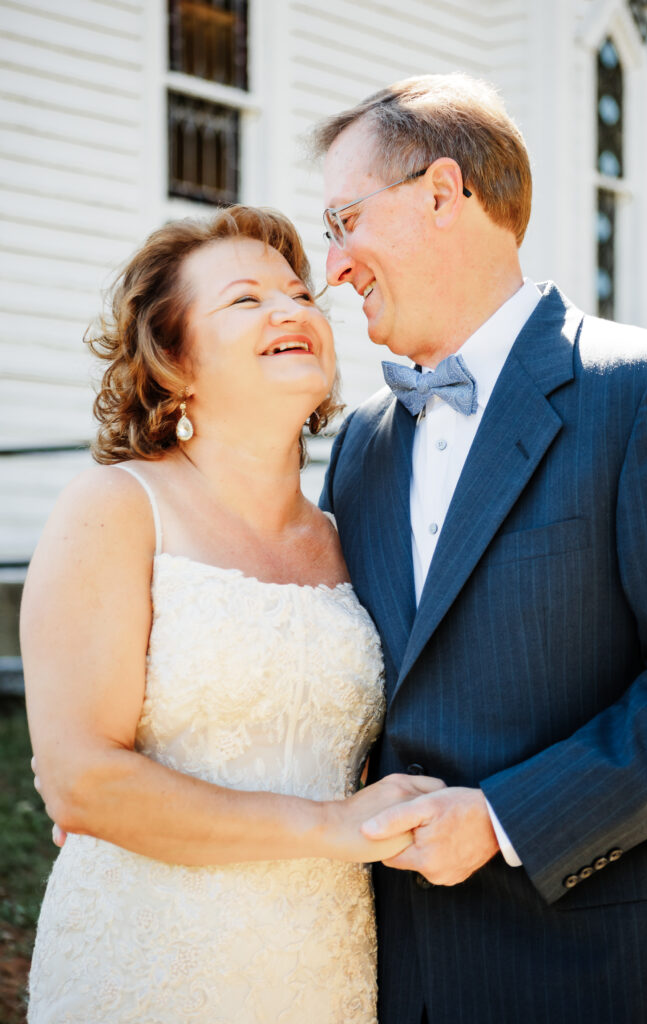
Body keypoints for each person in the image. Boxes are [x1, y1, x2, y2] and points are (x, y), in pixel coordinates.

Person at [313, 73, 647, 1023]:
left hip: (589, 969)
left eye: (344, 220)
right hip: (388, 972)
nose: (335, 266)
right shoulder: (356, 441)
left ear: (442, 193)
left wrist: (502, 818)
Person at [21, 205, 444, 1024]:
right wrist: (334, 828)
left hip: (323, 961)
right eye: (245, 300)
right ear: (174, 362)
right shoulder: (117, 508)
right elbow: (82, 780)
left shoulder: (351, 533)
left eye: (299, 295)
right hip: (146, 959)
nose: (292, 310)